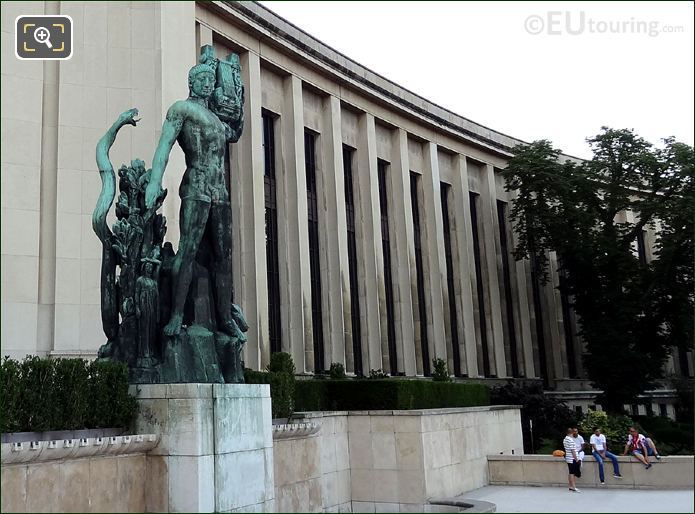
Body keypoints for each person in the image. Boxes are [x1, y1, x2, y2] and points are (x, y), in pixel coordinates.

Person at [145, 61, 243, 337]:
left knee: (223, 256)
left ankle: (224, 317)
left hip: (219, 193)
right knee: (187, 251)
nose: (208, 84)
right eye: (202, 79)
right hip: (196, 188)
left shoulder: (217, 119)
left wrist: (240, 98)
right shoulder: (181, 109)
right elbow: (164, 145)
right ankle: (176, 315)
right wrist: (155, 180)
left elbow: (235, 132)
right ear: (192, 82)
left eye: (210, 81)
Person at [563, 428, 582, 492]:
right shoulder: (570, 440)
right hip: (572, 458)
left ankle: (570, 486)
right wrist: (576, 459)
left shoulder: (565, 439)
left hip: (568, 458)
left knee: (570, 472)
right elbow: (573, 450)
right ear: (572, 433)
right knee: (572, 473)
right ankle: (574, 487)